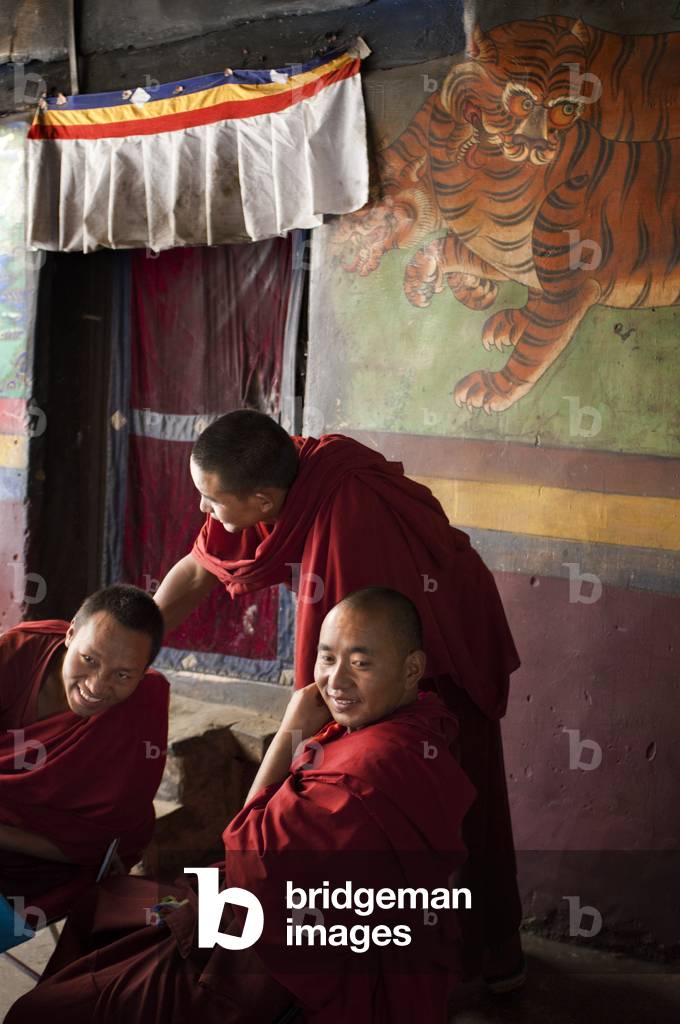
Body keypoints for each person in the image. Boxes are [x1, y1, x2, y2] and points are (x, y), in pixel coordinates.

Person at [153, 409, 523, 981]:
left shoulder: (350, 518)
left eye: (211, 498)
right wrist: (133, 641)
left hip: (435, 661)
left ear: (266, 501)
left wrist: (247, 828)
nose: (203, 508)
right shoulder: (287, 470)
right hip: (385, 657)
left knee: (442, 810)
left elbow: (327, 690)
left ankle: (470, 963)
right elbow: (202, 565)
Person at [6, 588, 476, 1024]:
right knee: (103, 904)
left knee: (40, 1013)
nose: (336, 681)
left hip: (256, 961)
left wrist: (291, 729)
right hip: (248, 912)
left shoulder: (370, 768)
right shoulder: (417, 726)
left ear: (412, 669)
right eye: (327, 658)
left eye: (361, 664)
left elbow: (246, 853)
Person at [0, 584, 169, 928]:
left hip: (46, 863)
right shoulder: (18, 652)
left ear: (142, 673)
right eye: (89, 660)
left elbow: (96, 844)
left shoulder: (143, 708)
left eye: (122, 675)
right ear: (71, 633)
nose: (96, 685)